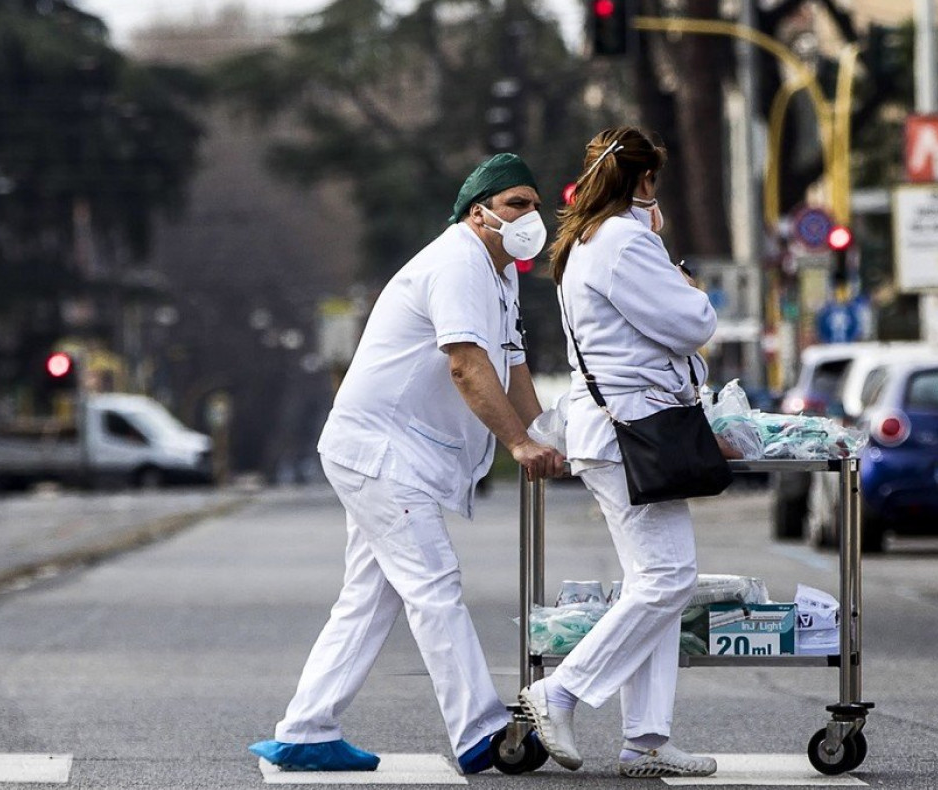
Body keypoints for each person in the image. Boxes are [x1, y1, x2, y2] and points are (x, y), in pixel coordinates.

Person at [249, 153, 566, 774]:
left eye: (534, 204)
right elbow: (467, 365)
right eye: (515, 205)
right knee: (434, 584)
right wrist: (518, 445)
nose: (532, 217)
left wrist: (547, 434)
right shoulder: (457, 262)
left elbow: (514, 366)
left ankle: (307, 730)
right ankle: (482, 730)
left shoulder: (499, 274)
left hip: (392, 451)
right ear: (480, 213)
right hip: (381, 451)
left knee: (370, 597)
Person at [518, 126, 720, 778]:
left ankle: (647, 739)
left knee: (653, 582)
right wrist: (688, 287)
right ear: (643, 182)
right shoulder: (625, 242)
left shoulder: (586, 240)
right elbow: (693, 325)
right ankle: (562, 692)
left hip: (615, 428)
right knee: (668, 579)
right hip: (630, 430)